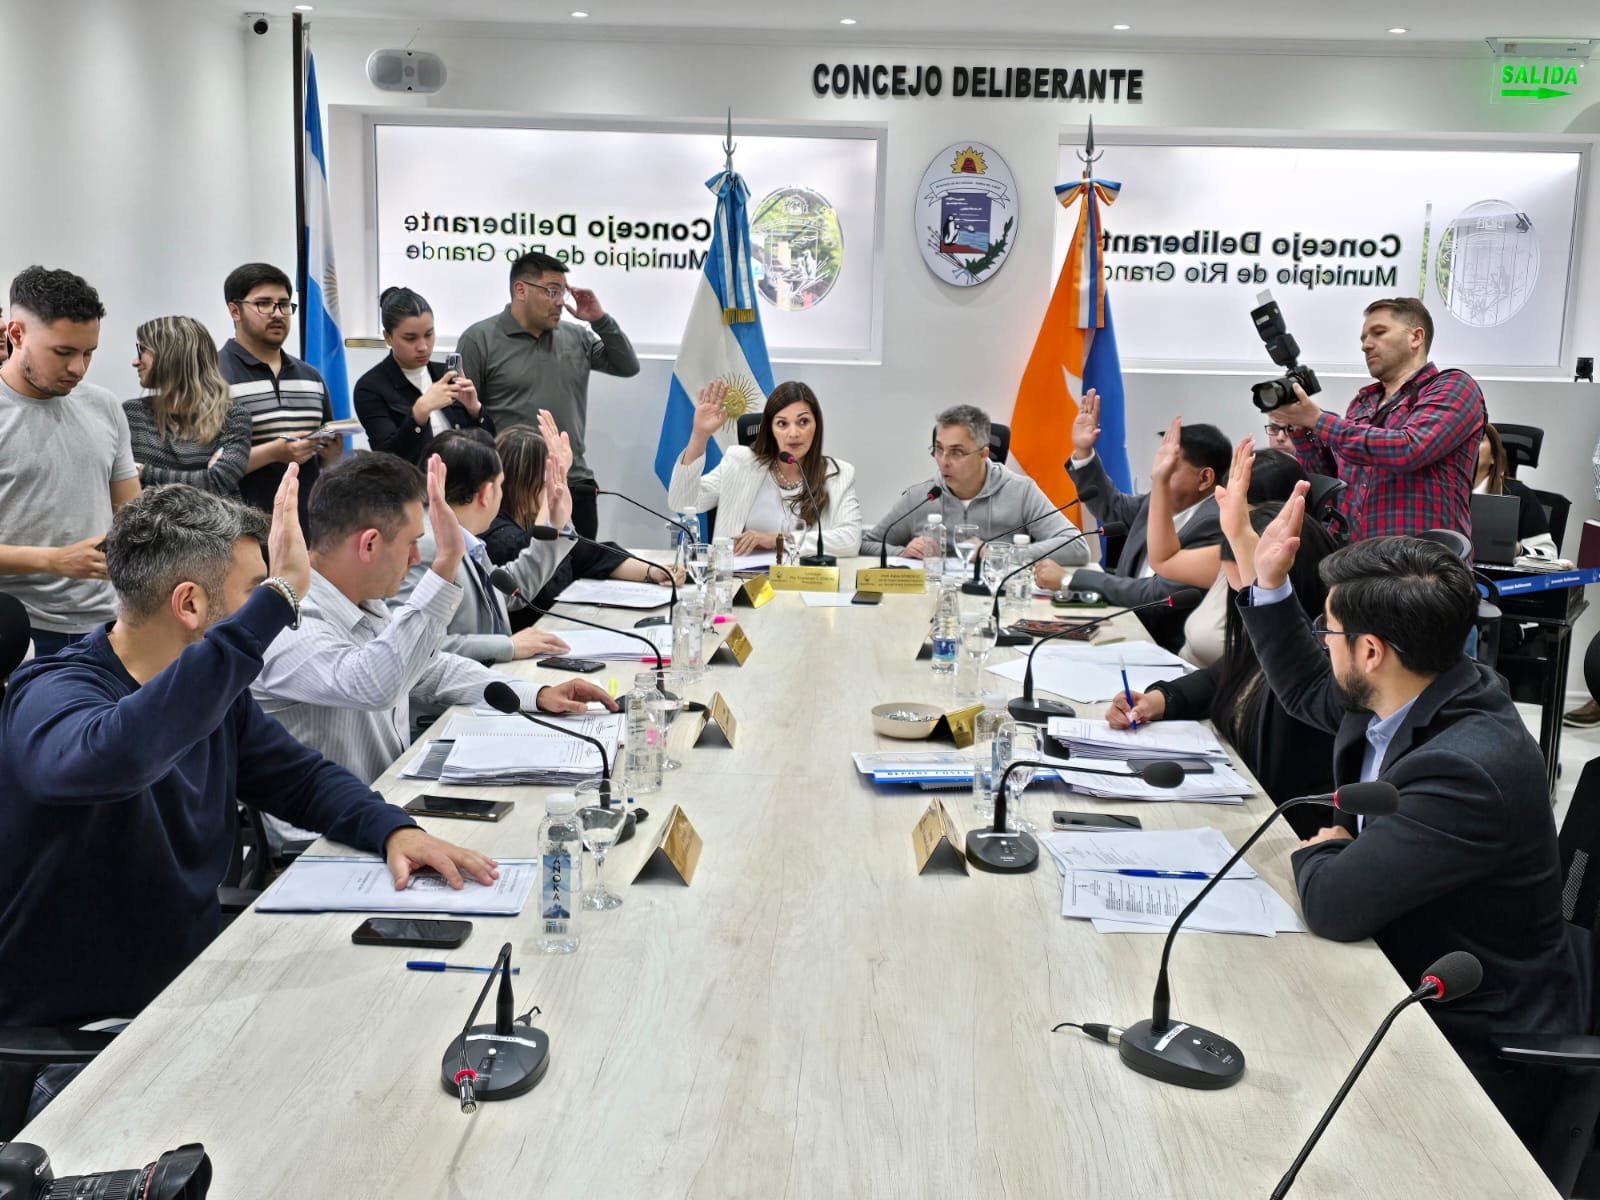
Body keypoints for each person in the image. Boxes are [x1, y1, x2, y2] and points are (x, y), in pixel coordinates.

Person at [0, 467, 496, 1122]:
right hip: (81, 1040)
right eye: (253, 591)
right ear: (190, 605)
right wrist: (278, 600)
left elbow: (301, 778)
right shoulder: (52, 694)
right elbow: (117, 756)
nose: (272, 612)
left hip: (190, 993)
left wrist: (392, 829)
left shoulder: (215, 696)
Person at [1225, 480, 1586, 1148]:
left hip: (1469, 1040)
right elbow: (1306, 688)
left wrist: (1323, 849)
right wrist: (1268, 582)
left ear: (1371, 651)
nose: (1320, 642)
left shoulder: (1467, 768)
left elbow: (1334, 903)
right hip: (1391, 964)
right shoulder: (1417, 685)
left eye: (1327, 630)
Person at [251, 452, 614, 816]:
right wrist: (444, 566)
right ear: (370, 544)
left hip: (382, 807)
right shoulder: (289, 619)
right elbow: (371, 684)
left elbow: (432, 669)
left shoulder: (362, 602)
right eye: (411, 543)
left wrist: (537, 694)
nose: (415, 559)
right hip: (319, 837)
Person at [1109, 439, 1336, 832]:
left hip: (1280, 829)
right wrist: (1159, 700)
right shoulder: (1268, 639)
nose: (1243, 600)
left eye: (1248, 586)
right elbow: (1225, 673)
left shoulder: (1319, 667)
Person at [0, 266, 141, 657]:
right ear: (16, 334)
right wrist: (55, 561)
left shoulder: (104, 406)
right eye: (63, 352)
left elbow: (131, 512)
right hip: (18, 630)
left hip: (109, 624)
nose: (78, 367)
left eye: (88, 352)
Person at [458, 250, 639, 539]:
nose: (560, 302)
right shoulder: (479, 339)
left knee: (583, 564)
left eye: (563, 292)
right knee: (515, 565)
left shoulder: (577, 337)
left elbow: (627, 366)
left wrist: (600, 320)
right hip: (509, 487)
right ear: (521, 290)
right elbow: (464, 417)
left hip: (571, 481)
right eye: (552, 291)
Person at [1272, 296, 1484, 542]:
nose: (1366, 345)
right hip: (1356, 557)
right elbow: (1333, 486)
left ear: (1416, 337)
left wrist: (1318, 420)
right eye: (1363, 338)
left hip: (1420, 560)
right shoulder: (1362, 403)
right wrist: (1302, 429)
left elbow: (1408, 449)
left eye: (1379, 332)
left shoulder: (1453, 386)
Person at [1039, 392, 1228, 648]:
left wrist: (1070, 580)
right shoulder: (1157, 502)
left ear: (1205, 479)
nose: (1155, 474)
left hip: (1161, 646)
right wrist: (1084, 451)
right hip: (1122, 624)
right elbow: (1113, 508)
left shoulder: (1215, 526)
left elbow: (1155, 595)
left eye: (1169, 466)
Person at [391, 428, 572, 666]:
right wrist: (507, 646)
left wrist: (555, 525)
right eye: (501, 485)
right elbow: (408, 644)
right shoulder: (425, 544)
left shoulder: (459, 536)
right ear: (486, 492)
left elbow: (507, 593)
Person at [487, 421, 683, 618]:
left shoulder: (531, 520)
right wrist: (552, 499)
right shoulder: (495, 534)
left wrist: (652, 571)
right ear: (521, 481)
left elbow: (592, 555)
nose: (557, 484)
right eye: (550, 476)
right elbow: (534, 562)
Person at [860, 403, 1093, 567]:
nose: (944, 461)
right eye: (939, 449)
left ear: (983, 454)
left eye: (957, 452)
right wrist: (903, 551)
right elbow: (867, 543)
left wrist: (997, 553)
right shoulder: (922, 496)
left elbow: (1077, 548)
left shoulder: (1021, 492)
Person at [670, 380, 863, 558]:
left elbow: (850, 541)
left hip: (803, 580)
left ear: (816, 426)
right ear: (770, 429)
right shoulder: (739, 463)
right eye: (782, 424)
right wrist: (699, 435)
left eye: (803, 422)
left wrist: (778, 540)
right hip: (740, 579)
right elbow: (682, 501)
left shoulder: (838, 474)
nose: (793, 433)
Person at [219, 262, 342, 529]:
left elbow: (322, 460)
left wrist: (329, 452)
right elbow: (205, 468)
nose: (277, 314)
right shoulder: (211, 377)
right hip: (239, 534)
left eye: (284, 304)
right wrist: (275, 452)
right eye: (264, 304)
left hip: (306, 529)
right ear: (234, 310)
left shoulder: (311, 377)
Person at [353, 286, 494, 465]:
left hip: (461, 478)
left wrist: (475, 409)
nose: (423, 346)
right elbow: (387, 459)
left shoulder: (445, 374)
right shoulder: (370, 387)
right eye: (410, 338)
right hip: (412, 481)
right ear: (388, 337)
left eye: (429, 334)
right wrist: (419, 413)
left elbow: (490, 446)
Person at [123, 315, 253, 497]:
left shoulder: (233, 417)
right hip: (149, 518)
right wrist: (201, 478)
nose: (135, 362)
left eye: (141, 350)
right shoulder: (132, 415)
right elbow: (121, 485)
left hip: (216, 517)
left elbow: (217, 483)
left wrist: (143, 472)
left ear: (170, 355)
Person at [1474, 423, 1556, 559]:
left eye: (1479, 439)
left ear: (1493, 456)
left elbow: (1549, 555)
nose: (1470, 445)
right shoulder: (1447, 494)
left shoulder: (1520, 495)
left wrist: (1517, 550)